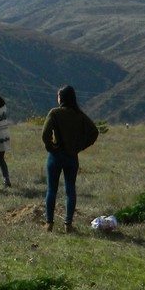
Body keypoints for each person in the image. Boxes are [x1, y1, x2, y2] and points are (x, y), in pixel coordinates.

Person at [41, 85, 99, 233]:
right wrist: (80, 146)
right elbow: (94, 132)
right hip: (72, 157)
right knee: (70, 191)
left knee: (52, 190)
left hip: (55, 156)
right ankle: (68, 224)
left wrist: (51, 146)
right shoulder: (79, 115)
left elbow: (45, 133)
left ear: (61, 98)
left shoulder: (55, 113)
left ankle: (49, 223)